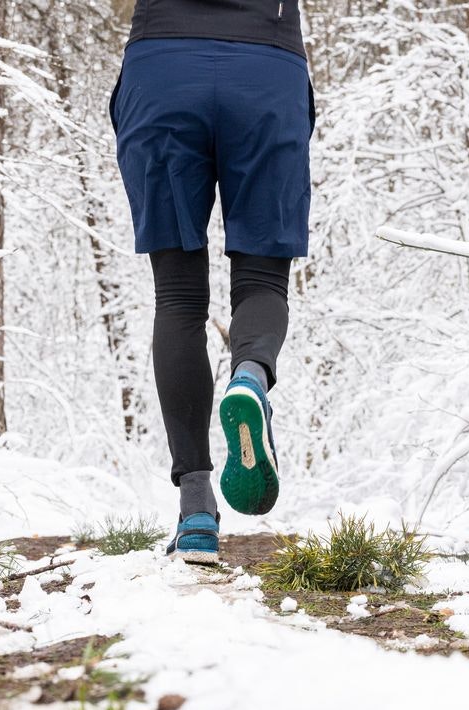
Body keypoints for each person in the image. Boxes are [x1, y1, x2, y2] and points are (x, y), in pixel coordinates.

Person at [109, 0, 315, 564]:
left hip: (162, 69)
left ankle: (196, 509)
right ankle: (249, 375)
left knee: (177, 295)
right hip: (267, 69)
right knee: (262, 278)